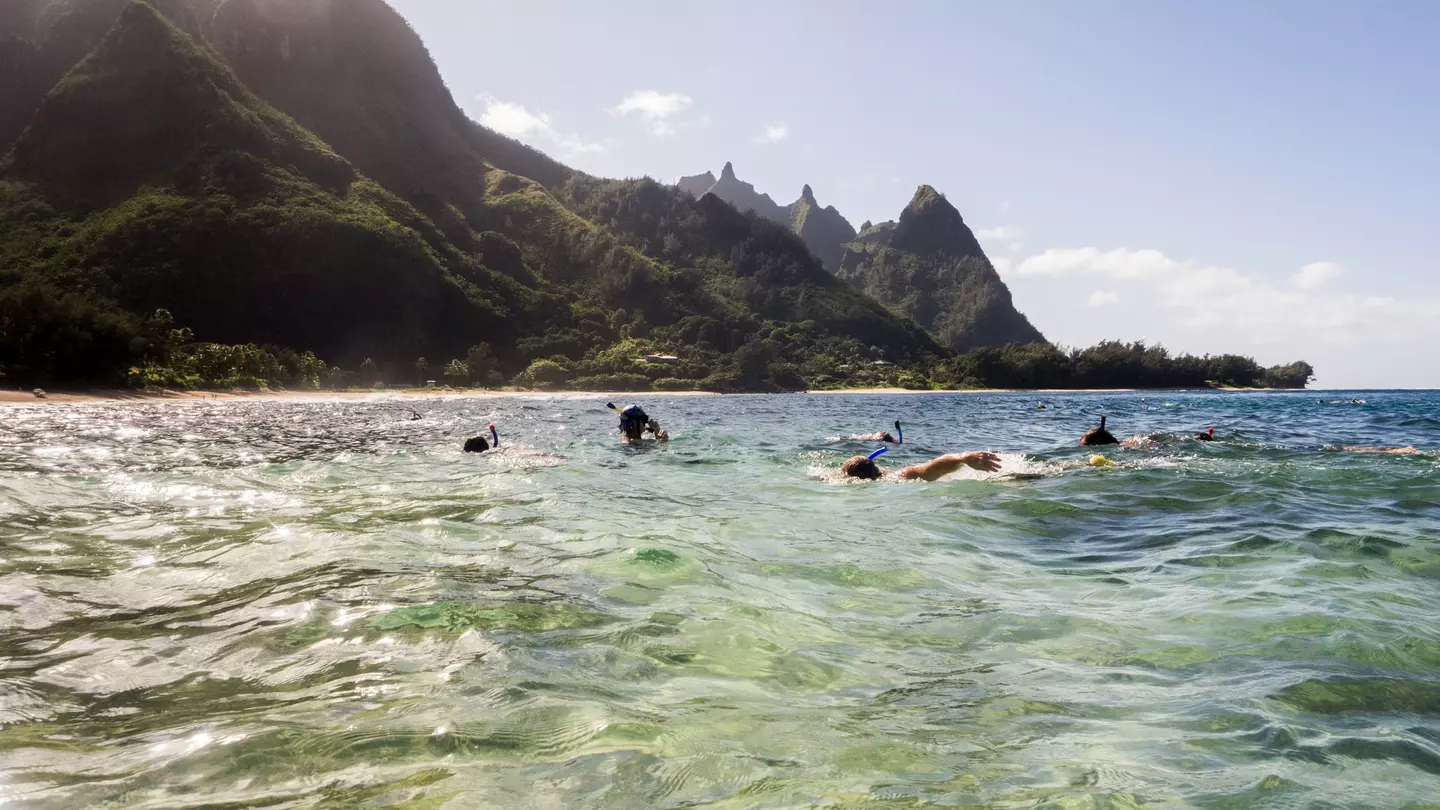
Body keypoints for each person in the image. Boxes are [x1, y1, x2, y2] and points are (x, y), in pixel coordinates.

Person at [840, 450, 1001, 481]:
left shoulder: (897, 477)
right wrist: (962, 458)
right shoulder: (897, 474)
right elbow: (931, 467)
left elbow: (932, 467)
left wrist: (963, 457)